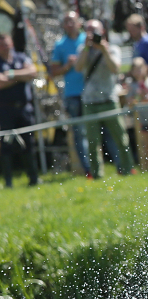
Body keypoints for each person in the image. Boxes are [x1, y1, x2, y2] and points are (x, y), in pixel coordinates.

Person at [75, 19, 135, 177]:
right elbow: (78, 67)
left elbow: (115, 69)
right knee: (93, 141)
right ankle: (96, 174)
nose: (91, 34)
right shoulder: (83, 49)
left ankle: (127, 168)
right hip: (90, 101)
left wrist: (103, 49)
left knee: (121, 138)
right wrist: (87, 48)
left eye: (94, 31)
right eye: (88, 31)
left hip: (109, 99)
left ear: (102, 32)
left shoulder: (112, 49)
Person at [49, 11, 90, 176]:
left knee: (99, 129)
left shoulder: (87, 39)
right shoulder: (60, 45)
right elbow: (54, 71)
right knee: (80, 133)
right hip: (73, 94)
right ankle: (87, 170)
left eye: (72, 21)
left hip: (93, 92)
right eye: (66, 21)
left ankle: (107, 165)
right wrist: (67, 65)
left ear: (79, 22)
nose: (69, 24)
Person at [0, 32, 40, 187]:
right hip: (5, 110)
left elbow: (32, 72)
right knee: (6, 144)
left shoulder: (21, 57)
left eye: (6, 42)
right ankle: (8, 181)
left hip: (24, 108)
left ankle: (34, 178)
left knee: (29, 143)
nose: (4, 46)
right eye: (1, 44)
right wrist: (21, 77)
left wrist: (10, 74)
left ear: (11, 42)